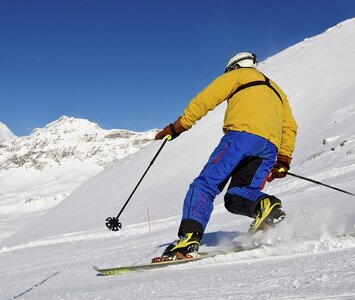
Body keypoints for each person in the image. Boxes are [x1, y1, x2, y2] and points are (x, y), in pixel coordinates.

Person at [155, 52, 298, 258]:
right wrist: (283, 159)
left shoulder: (238, 75)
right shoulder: (278, 91)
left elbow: (206, 98)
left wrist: (178, 127)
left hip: (241, 138)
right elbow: (290, 126)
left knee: (204, 185)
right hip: (269, 148)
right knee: (238, 194)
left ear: (234, 67)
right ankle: (265, 209)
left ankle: (189, 238)